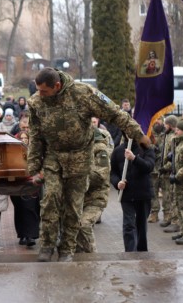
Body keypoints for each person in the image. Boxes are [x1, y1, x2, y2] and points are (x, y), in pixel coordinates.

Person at [27, 68, 151, 262]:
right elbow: (35, 136)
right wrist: (33, 169)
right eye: (38, 90)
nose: (40, 94)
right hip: (54, 156)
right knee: (50, 198)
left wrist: (139, 135)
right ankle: (47, 245)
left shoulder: (83, 93)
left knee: (73, 205)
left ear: (57, 86)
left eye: (44, 91)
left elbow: (115, 113)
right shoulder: (35, 102)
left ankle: (67, 249)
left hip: (80, 157)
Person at [110, 138, 155, 252]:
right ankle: (130, 253)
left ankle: (142, 251)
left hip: (143, 193)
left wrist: (134, 158)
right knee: (129, 224)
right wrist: (117, 183)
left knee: (141, 225)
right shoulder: (118, 151)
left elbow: (149, 167)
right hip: (126, 194)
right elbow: (112, 172)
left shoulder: (147, 149)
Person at [76, 119, 113, 253]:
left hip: (95, 197)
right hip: (78, 197)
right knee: (72, 229)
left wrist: (78, 176)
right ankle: (79, 256)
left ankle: (93, 256)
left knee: (84, 224)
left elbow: (100, 175)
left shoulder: (100, 149)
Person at [11, 130, 40, 248]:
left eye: (25, 138)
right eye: (21, 138)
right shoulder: (14, 152)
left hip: (31, 185)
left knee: (30, 208)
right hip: (17, 186)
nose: (24, 140)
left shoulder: (33, 152)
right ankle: (22, 234)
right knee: (19, 210)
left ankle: (30, 235)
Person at [159, 116, 179, 230]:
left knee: (174, 197)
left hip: (172, 172)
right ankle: (171, 218)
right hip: (166, 172)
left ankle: (175, 222)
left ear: (170, 125)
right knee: (169, 197)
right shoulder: (167, 136)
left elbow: (174, 156)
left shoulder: (173, 138)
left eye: (166, 124)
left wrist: (165, 167)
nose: (164, 126)